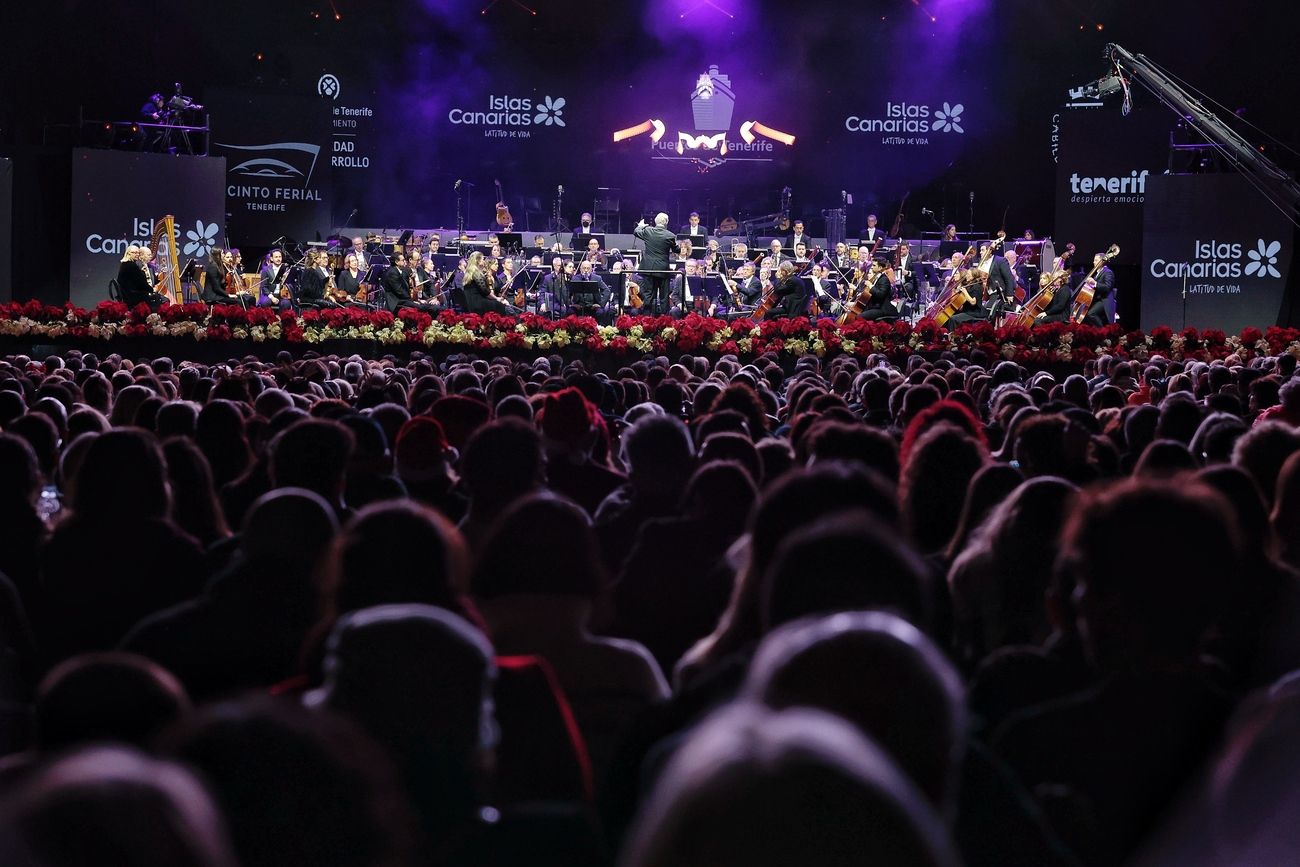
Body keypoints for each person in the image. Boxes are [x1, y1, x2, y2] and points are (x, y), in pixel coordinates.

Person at [634, 212, 679, 315]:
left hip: (649, 269)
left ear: (655, 221)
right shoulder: (670, 235)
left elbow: (636, 232)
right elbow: (676, 250)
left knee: (648, 295)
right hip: (662, 270)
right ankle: (664, 319)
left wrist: (641, 226)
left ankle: (646, 319)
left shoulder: (648, 231)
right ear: (666, 222)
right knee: (664, 296)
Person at [116, 245, 166, 309]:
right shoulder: (131, 265)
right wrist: (152, 290)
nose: (137, 255)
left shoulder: (126, 264)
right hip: (133, 297)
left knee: (160, 298)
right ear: (128, 253)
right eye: (135, 253)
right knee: (161, 299)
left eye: (138, 253)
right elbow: (141, 283)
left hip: (129, 295)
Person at [1081, 252, 1116, 326]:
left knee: (1091, 314)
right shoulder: (1097, 273)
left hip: (1104, 300)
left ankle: (1102, 330)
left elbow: (1107, 287)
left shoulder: (1108, 272)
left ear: (1102, 261)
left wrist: (1094, 283)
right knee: (1084, 315)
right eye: (1094, 260)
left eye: (1096, 260)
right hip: (1097, 299)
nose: (1094, 262)